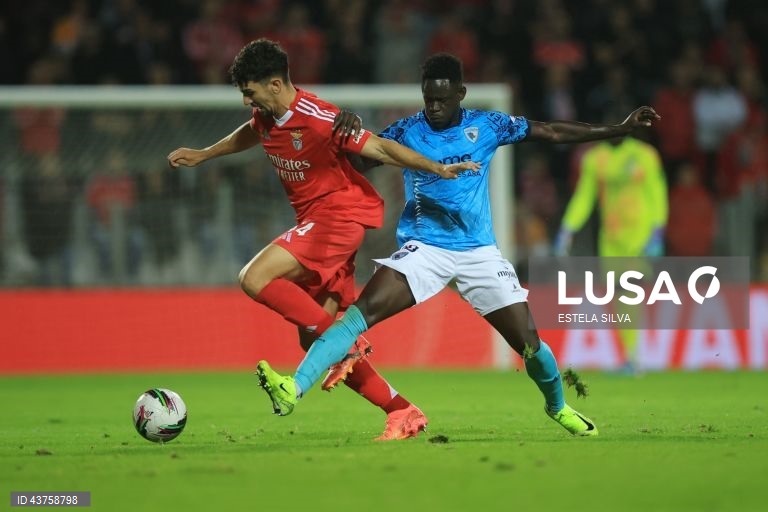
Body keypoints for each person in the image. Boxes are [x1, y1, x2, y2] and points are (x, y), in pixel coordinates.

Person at [254, 53, 660, 437]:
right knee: (357, 318)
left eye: (442, 100)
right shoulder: (406, 131)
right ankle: (294, 388)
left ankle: (557, 407)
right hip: (423, 249)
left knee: (529, 344)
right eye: (428, 98)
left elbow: (550, 131)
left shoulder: (489, 125)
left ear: (460, 95)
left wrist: (619, 128)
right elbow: (359, 159)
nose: (433, 107)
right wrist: (342, 129)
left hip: (479, 253)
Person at [167, 40, 479, 441]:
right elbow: (251, 133)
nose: (247, 101)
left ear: (276, 84)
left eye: (250, 92)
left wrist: (437, 166)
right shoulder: (266, 116)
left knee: (253, 277)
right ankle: (402, 410)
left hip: (338, 217)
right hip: (319, 221)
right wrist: (204, 154)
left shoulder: (319, 117)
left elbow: (380, 147)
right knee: (313, 336)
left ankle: (347, 342)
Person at [555, 123, 667, 374]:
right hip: (611, 238)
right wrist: (568, 227)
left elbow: (657, 192)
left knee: (628, 291)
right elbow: (585, 195)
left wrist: (657, 231)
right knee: (620, 298)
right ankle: (632, 357)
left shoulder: (645, 154)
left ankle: (636, 356)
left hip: (641, 234)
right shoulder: (595, 158)